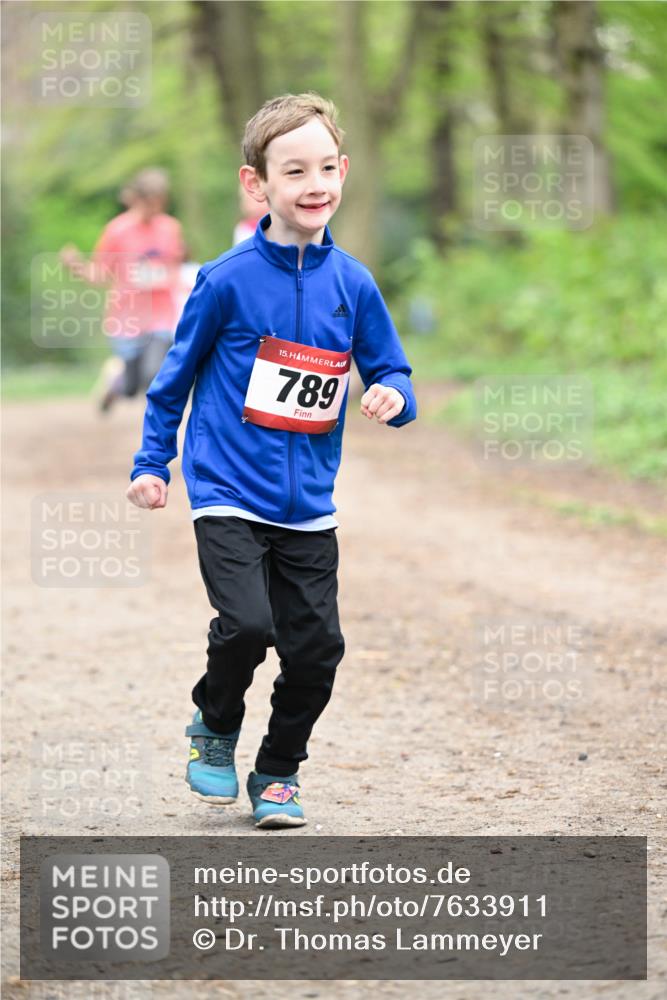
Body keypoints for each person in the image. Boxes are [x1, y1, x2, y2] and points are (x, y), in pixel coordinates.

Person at [126, 93, 417, 829]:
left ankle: (279, 771)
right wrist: (153, 463)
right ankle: (215, 720)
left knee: (318, 650)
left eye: (326, 168)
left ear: (343, 170)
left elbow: (392, 368)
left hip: (309, 505)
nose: (314, 184)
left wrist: (392, 394)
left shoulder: (353, 282)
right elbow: (173, 381)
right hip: (227, 488)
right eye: (294, 171)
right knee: (248, 625)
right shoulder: (225, 279)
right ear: (256, 183)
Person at [60, 168, 185, 412]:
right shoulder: (117, 230)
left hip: (161, 315)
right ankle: (114, 378)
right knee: (130, 387)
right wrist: (77, 267)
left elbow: (176, 267)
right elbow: (99, 274)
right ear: (136, 199)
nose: (154, 209)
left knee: (152, 373)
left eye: (159, 202)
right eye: (149, 203)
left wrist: (169, 280)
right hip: (127, 316)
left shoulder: (171, 228)